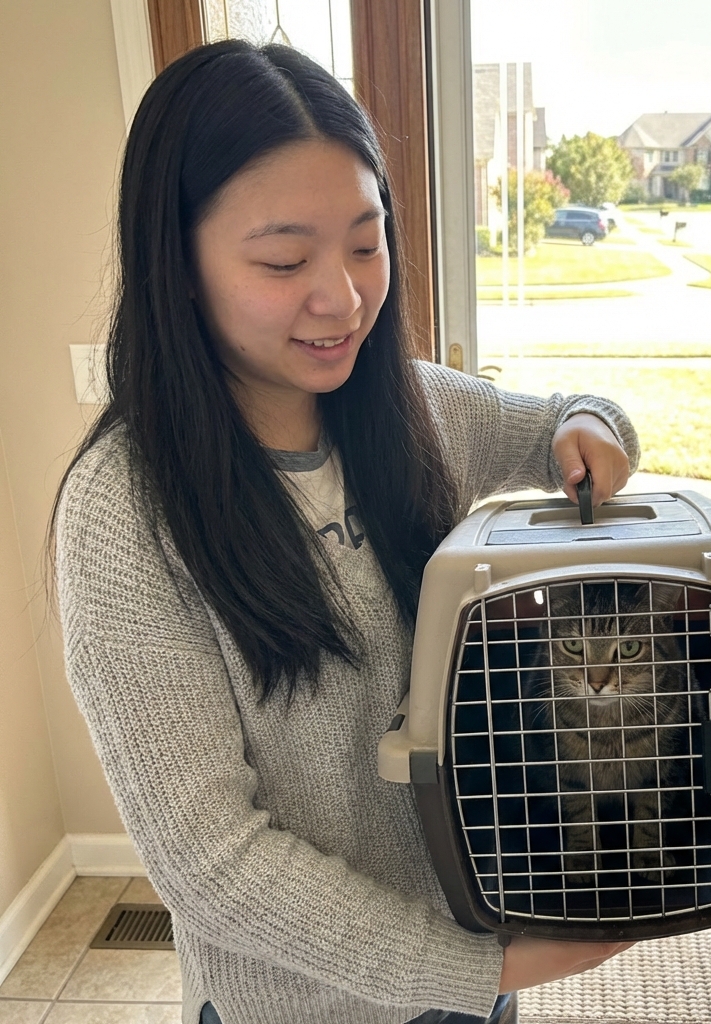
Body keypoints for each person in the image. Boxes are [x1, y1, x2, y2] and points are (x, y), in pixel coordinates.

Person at [53, 40, 639, 1024]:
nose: (344, 297)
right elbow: (210, 860)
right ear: (179, 263)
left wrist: (593, 430)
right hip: (306, 1006)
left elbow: (564, 418)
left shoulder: (409, 408)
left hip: (473, 943)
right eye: (284, 260)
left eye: (366, 244)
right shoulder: (122, 512)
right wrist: (484, 969)